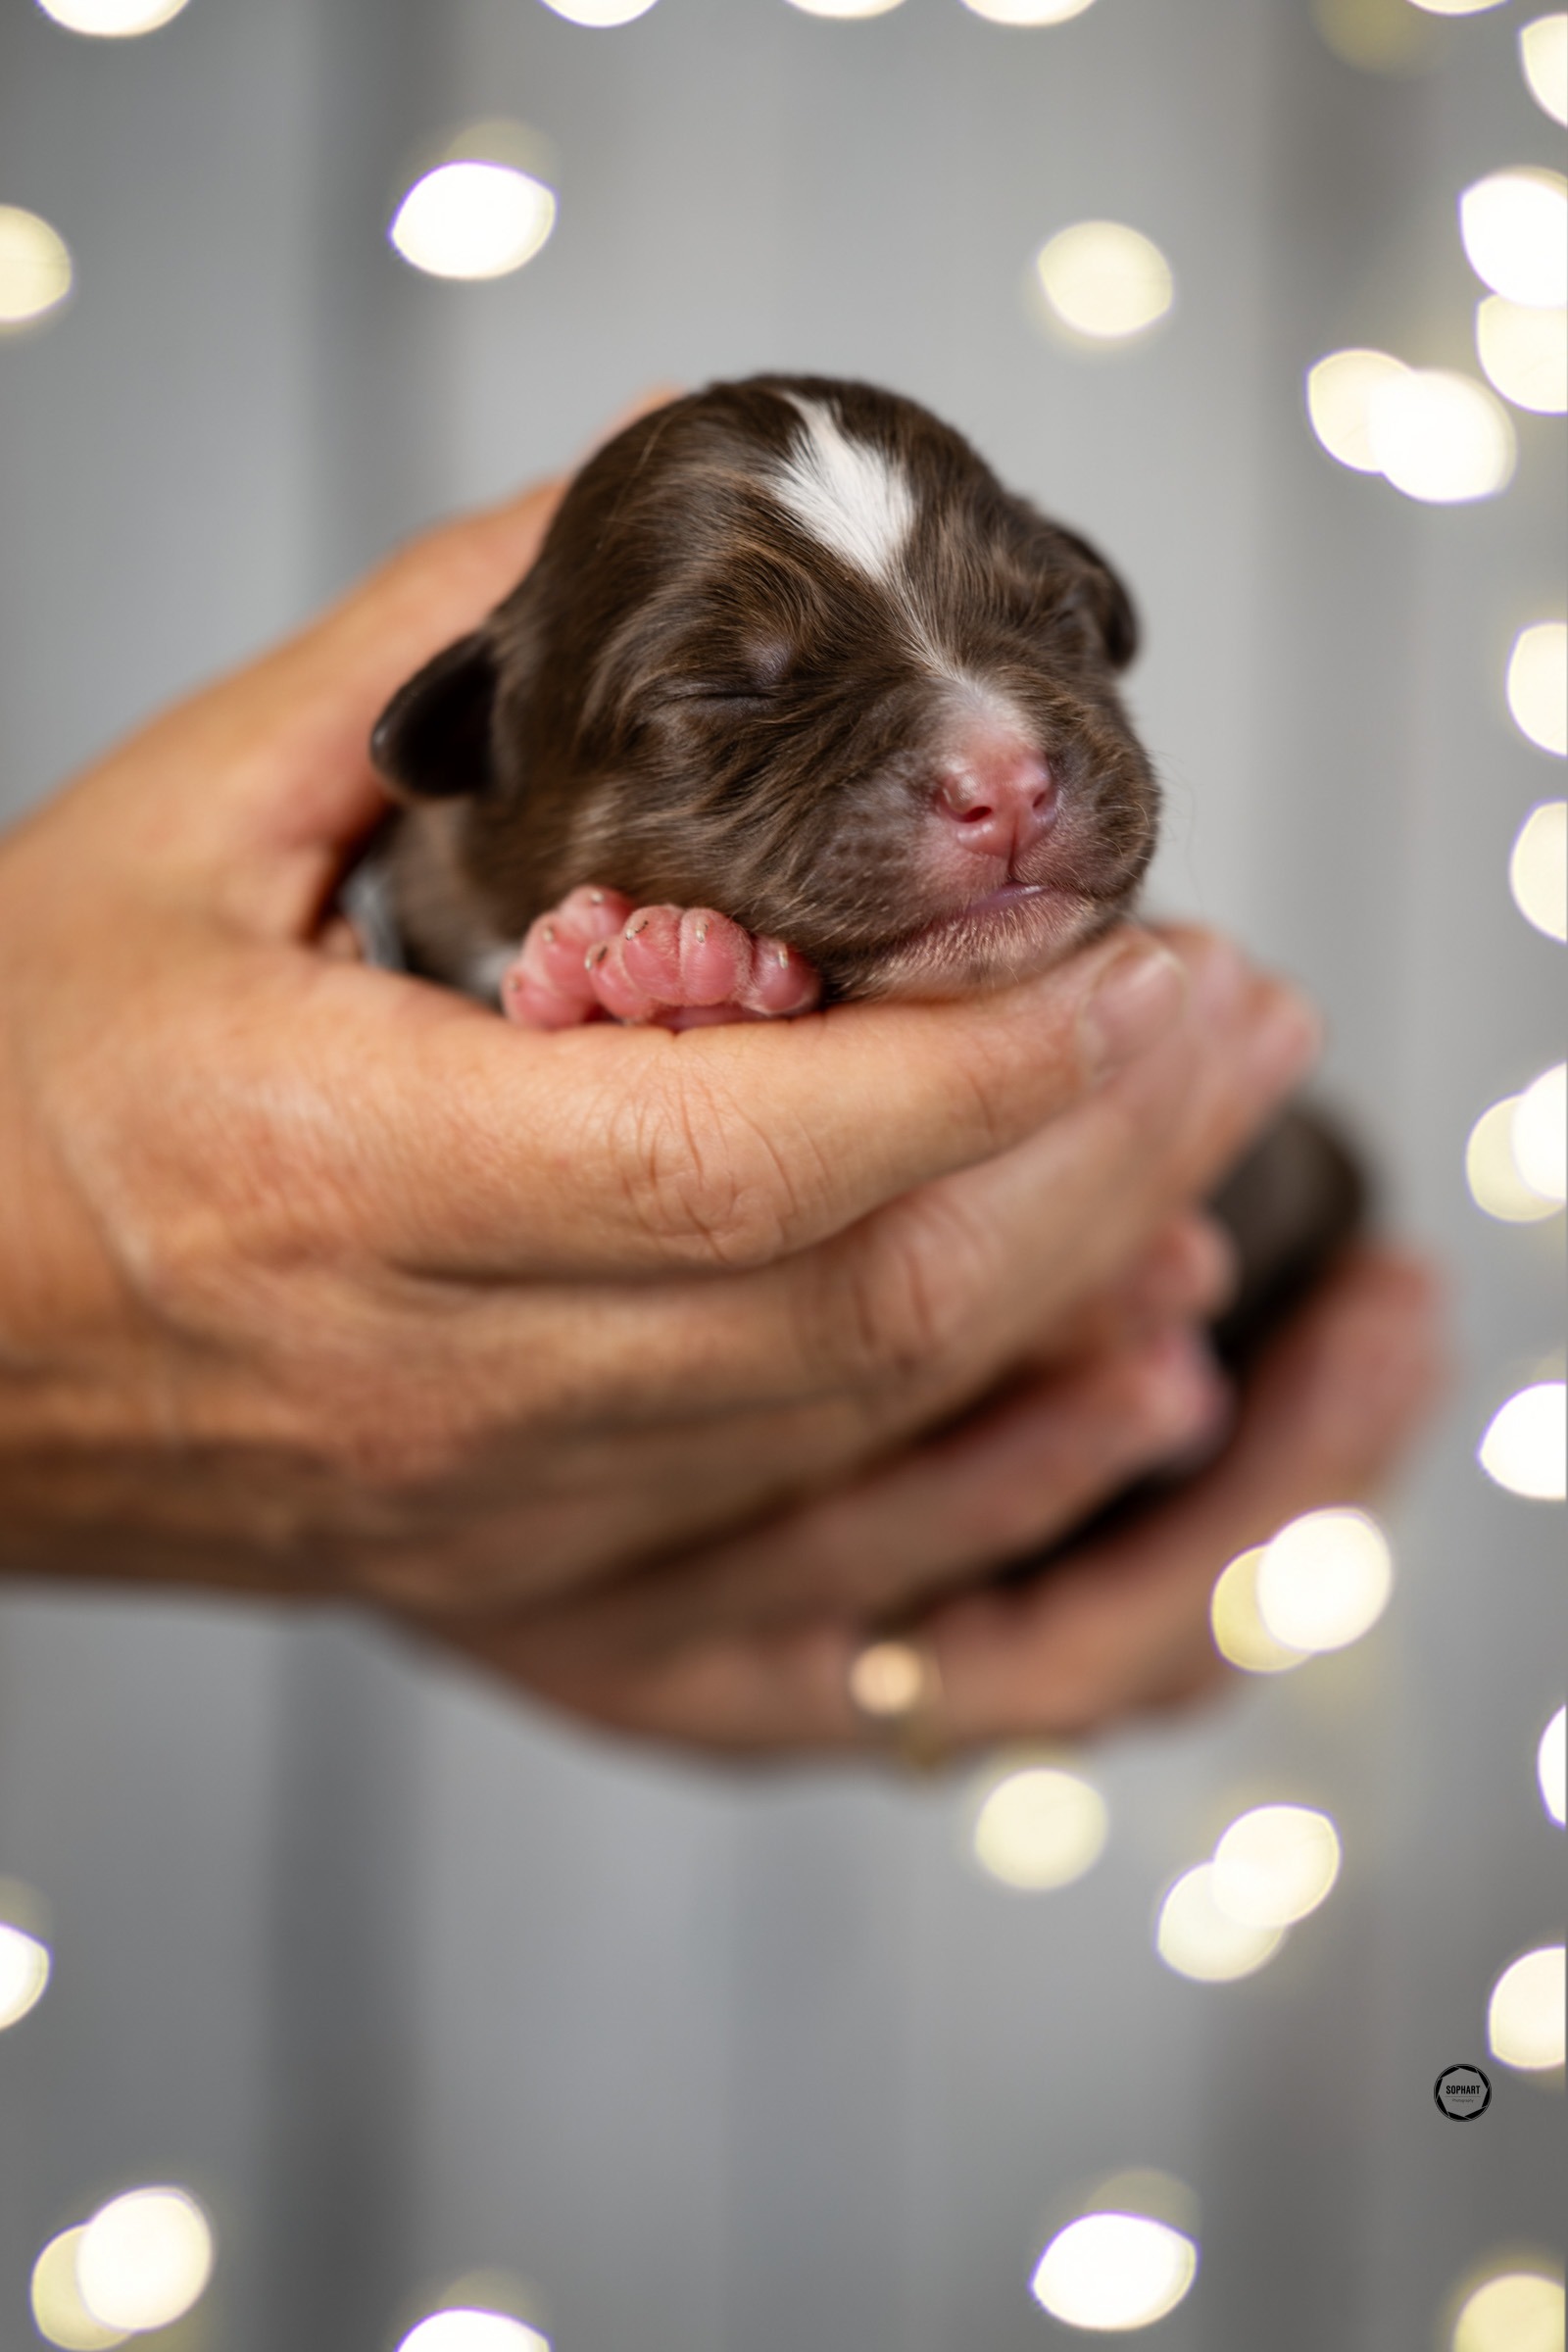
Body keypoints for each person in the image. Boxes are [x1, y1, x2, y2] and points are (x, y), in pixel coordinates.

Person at [0, 474, 1443, 1755]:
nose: (1001, 763)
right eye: (731, 693)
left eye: (1049, 628)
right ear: (476, 742)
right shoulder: (415, 901)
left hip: (1167, 1377)